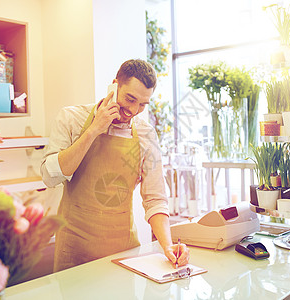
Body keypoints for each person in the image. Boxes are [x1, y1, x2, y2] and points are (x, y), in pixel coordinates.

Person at [41, 59, 189, 272]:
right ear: (114, 86)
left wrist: (168, 246)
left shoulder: (146, 134)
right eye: (130, 99)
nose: (133, 110)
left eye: (142, 104)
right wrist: (94, 130)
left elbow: (155, 199)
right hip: (74, 252)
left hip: (123, 253)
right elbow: (50, 176)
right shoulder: (72, 118)